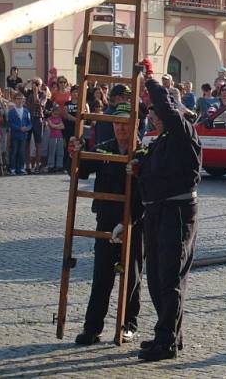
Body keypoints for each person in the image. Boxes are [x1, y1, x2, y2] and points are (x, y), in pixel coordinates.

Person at [133, 68, 202, 361]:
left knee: (169, 278)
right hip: (158, 211)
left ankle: (167, 342)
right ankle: (171, 333)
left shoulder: (184, 131)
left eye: (159, 113)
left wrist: (149, 79)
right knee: (156, 279)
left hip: (176, 212)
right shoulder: (162, 140)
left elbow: (166, 108)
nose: (155, 116)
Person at [71, 102, 144, 345]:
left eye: (125, 124)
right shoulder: (104, 150)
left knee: (130, 278)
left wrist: (130, 221)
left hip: (134, 223)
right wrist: (75, 152)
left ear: (134, 126)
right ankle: (92, 328)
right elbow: (79, 171)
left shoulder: (143, 153)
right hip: (105, 221)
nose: (120, 129)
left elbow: (149, 193)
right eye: (116, 124)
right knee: (101, 276)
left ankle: (128, 325)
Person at [7, 92, 31, 175]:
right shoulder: (11, 111)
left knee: (21, 152)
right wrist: (18, 128)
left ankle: (20, 168)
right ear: (14, 100)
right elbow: (10, 123)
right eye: (18, 99)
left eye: (21, 99)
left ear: (23, 100)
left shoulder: (26, 111)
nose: (20, 100)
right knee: (14, 152)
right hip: (15, 135)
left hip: (23, 135)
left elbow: (29, 123)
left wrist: (27, 128)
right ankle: (12, 168)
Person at [46, 106, 65, 172]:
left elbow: (63, 127)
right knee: (52, 152)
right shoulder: (49, 118)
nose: (56, 114)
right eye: (55, 113)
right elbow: (52, 126)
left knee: (60, 152)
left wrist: (55, 126)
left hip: (60, 136)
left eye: (57, 113)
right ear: (52, 112)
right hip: (52, 137)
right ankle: (51, 166)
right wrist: (58, 126)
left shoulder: (59, 118)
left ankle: (59, 166)